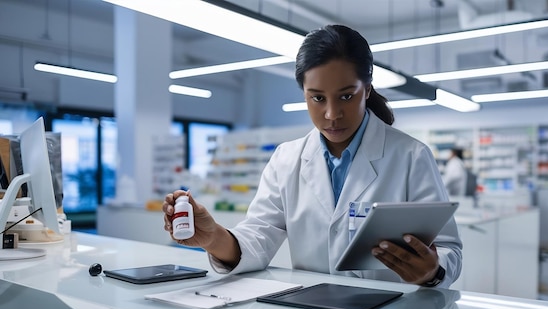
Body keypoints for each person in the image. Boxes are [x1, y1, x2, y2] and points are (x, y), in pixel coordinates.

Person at [162, 24, 462, 288]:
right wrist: (213, 237)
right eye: (317, 98)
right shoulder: (286, 159)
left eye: (347, 96)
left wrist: (432, 272)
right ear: (304, 94)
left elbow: (448, 250)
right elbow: (258, 238)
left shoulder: (410, 155)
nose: (332, 114)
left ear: (367, 90)